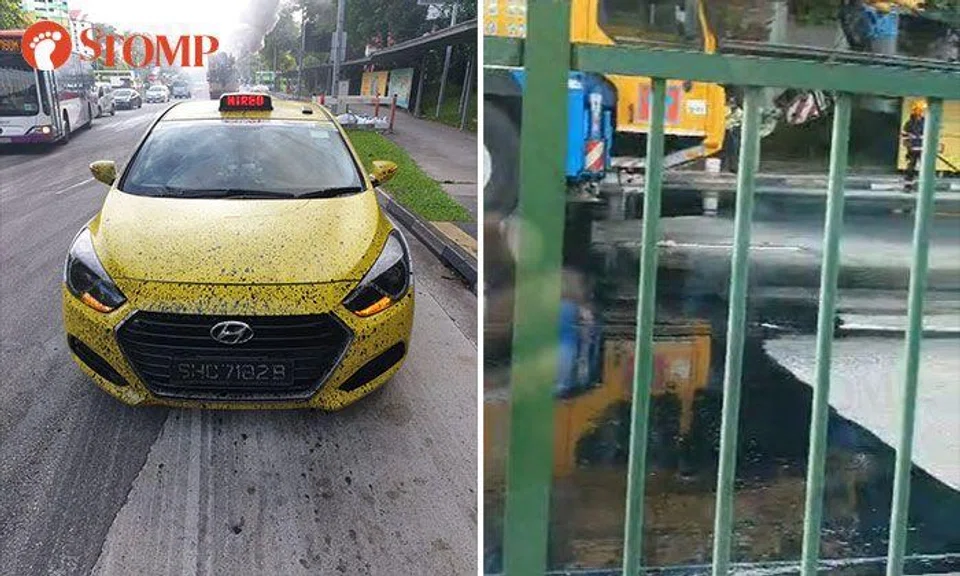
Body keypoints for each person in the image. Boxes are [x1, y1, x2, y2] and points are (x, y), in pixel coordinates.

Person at [902, 100, 926, 192]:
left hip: (924, 149)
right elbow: (904, 136)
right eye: (919, 110)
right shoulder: (909, 123)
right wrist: (909, 146)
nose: (920, 112)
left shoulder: (925, 122)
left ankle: (924, 186)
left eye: (921, 110)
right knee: (910, 168)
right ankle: (908, 186)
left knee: (924, 168)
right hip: (912, 149)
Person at [722, 94, 743, 173]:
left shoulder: (739, 111)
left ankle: (734, 167)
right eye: (730, 102)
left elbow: (739, 120)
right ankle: (724, 166)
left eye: (733, 102)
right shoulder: (725, 109)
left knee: (734, 150)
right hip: (725, 131)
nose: (732, 104)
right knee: (724, 150)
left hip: (734, 131)